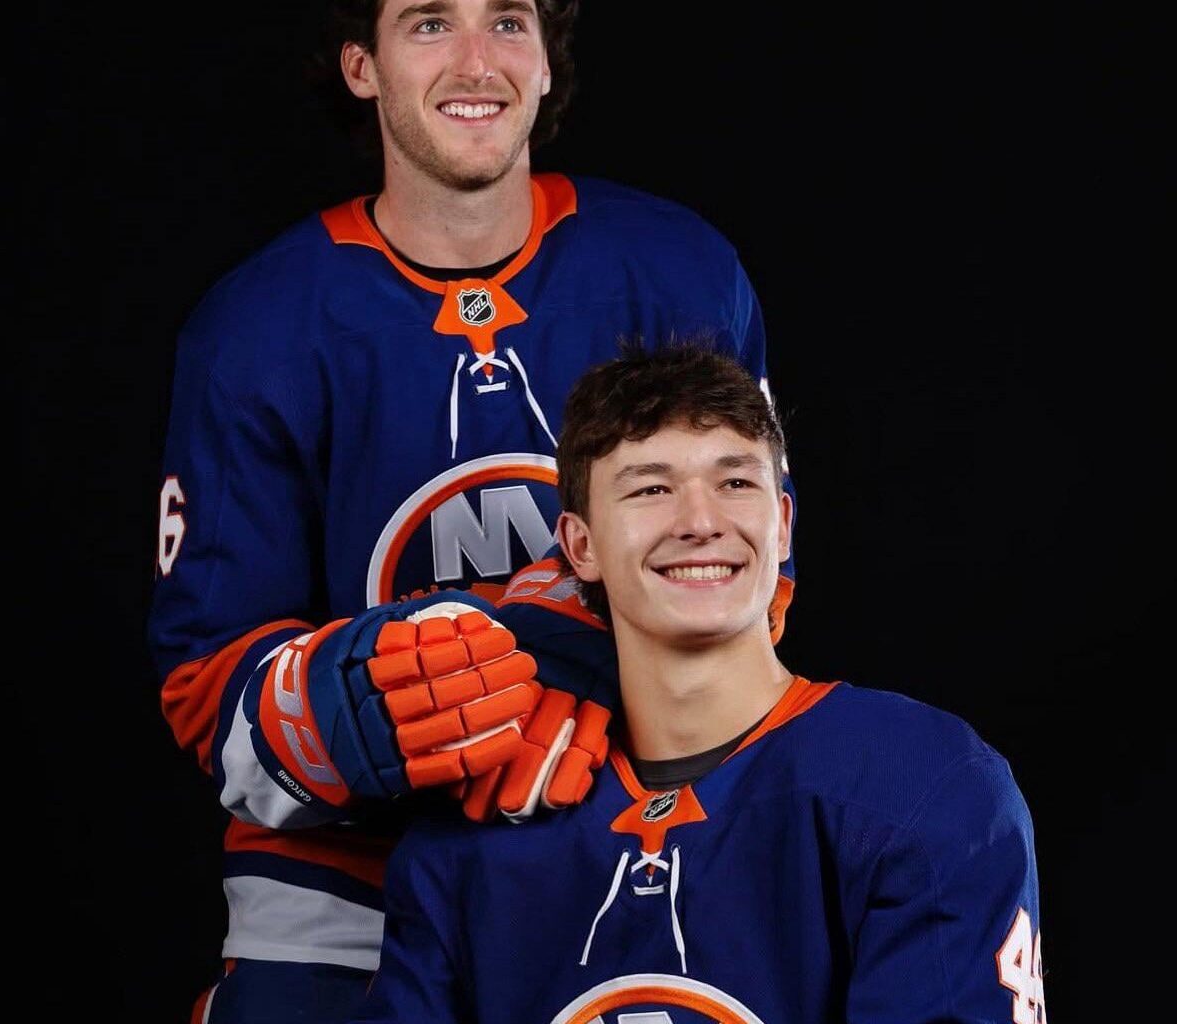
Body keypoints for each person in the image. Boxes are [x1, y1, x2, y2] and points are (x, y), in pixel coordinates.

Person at [147, 2, 793, 1021]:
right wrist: (342, 709)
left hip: (627, 837)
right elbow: (203, 683)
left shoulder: (679, 272)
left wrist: (534, 643)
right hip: (344, 889)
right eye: (431, 23)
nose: (477, 61)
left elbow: (760, 568)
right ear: (361, 65)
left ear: (545, 66)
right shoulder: (255, 331)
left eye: (507, 21)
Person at [351, 341, 1047, 1024]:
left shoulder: (922, 780)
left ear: (780, 523)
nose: (700, 522)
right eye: (651, 488)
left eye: (735, 482)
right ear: (580, 546)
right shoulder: (473, 836)